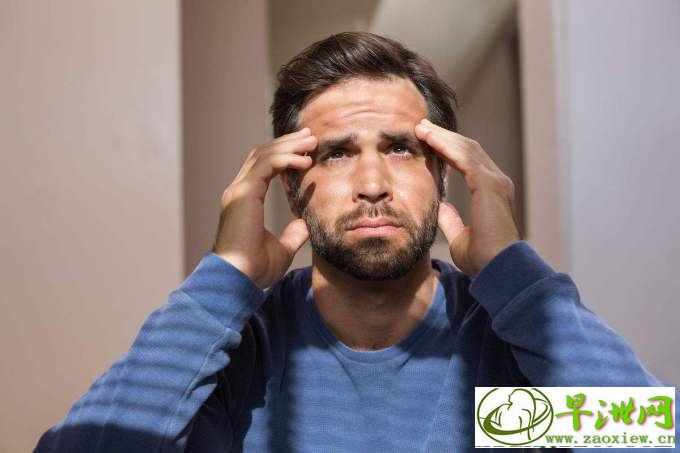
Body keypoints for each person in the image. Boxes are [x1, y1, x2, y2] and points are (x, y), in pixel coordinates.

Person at [35, 32, 678, 453]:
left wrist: (515, 276)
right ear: (292, 187)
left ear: (443, 176)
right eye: (338, 154)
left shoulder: (509, 348)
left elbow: (654, 441)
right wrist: (222, 282)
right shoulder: (236, 358)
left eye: (400, 149)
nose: (372, 184)